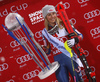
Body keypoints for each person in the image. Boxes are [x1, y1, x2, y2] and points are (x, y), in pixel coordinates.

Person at [41, 5, 84, 82]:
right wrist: (42, 48)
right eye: (49, 15)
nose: (52, 16)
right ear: (45, 17)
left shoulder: (65, 24)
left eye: (53, 13)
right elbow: (48, 51)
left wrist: (75, 40)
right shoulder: (44, 32)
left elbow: (81, 35)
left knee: (79, 80)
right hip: (58, 62)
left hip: (70, 57)